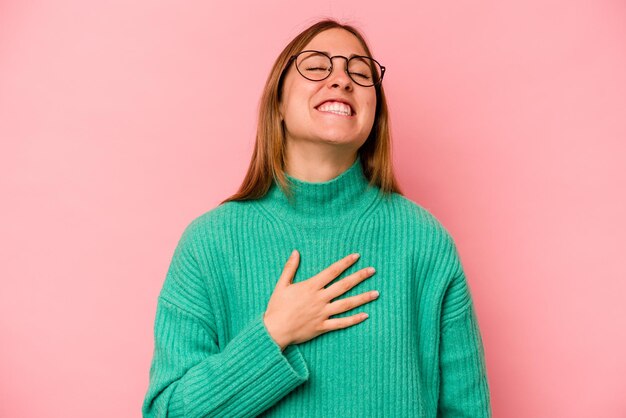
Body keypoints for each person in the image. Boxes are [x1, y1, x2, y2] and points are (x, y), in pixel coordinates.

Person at [142, 18, 492, 417]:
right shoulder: (209, 243)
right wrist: (274, 333)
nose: (341, 80)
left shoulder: (425, 242)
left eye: (360, 72)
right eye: (316, 65)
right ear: (278, 102)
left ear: (374, 114)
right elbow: (166, 412)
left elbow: (468, 410)